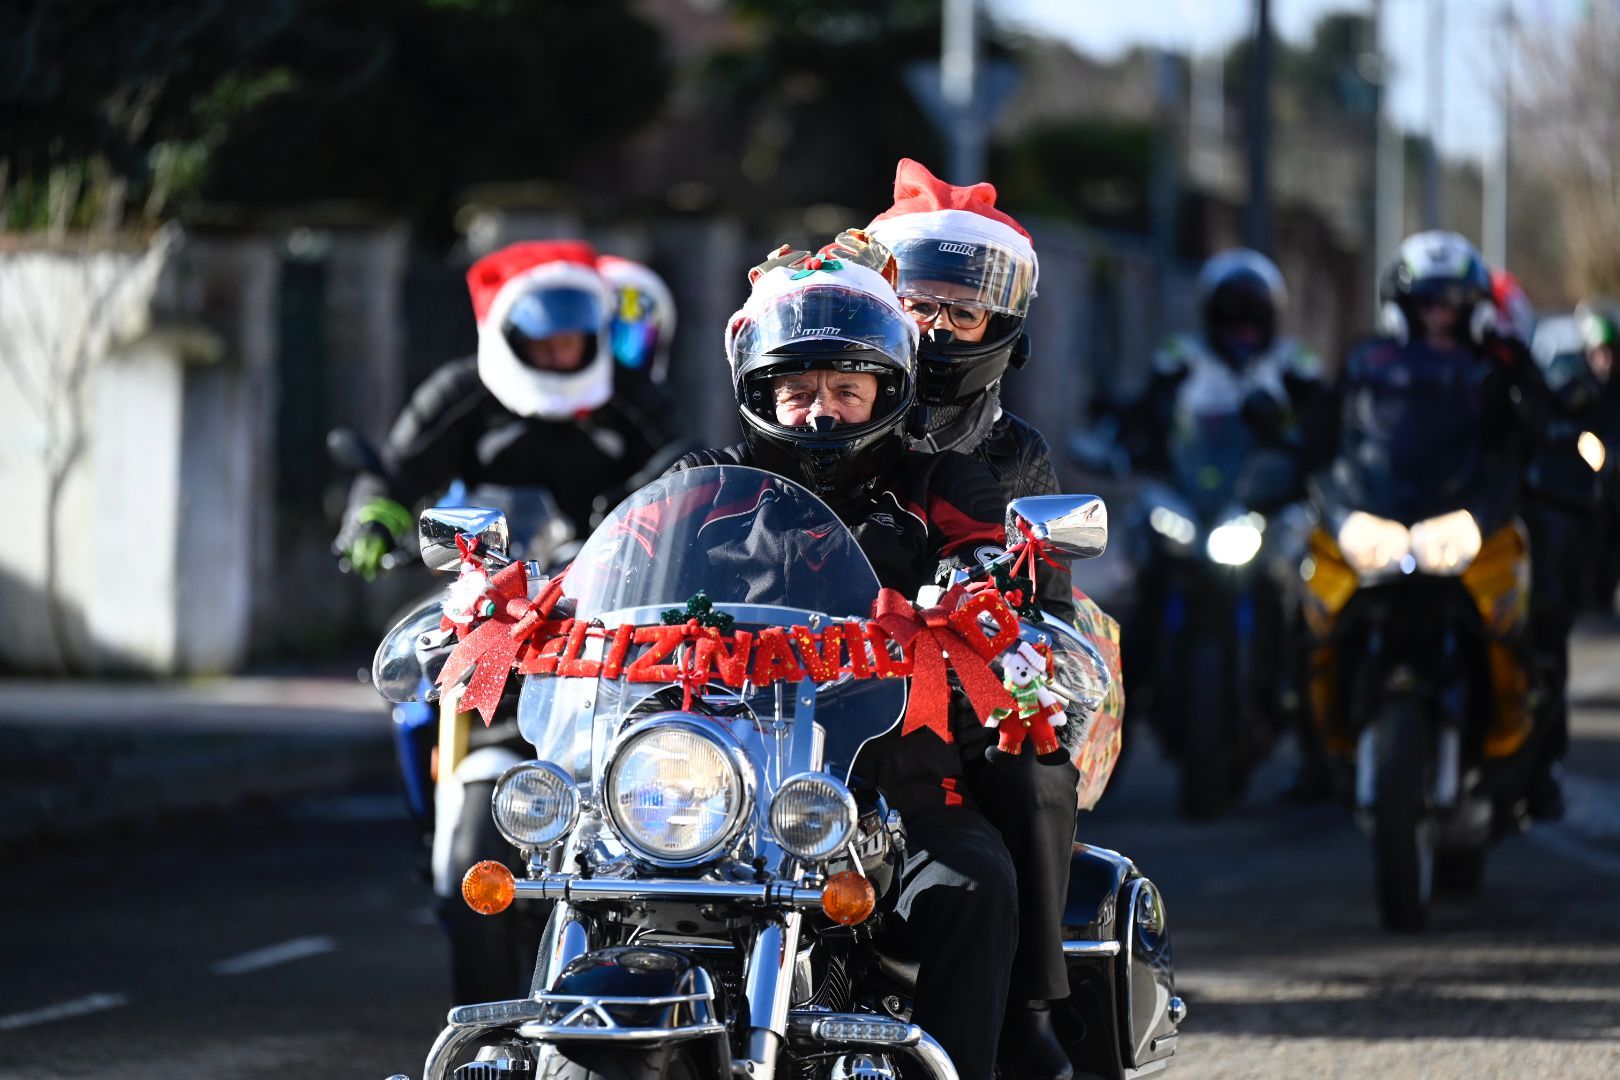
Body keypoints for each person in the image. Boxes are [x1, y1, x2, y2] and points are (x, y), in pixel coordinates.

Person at [669, 244, 1075, 1080]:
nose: (821, 412)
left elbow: (994, 564)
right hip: (711, 791)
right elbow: (604, 575)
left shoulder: (943, 485)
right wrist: (531, 610)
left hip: (896, 790)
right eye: (798, 390)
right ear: (760, 394)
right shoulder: (702, 485)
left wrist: (985, 591)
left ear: (888, 392)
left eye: (846, 390)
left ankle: (989, 1047)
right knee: (580, 871)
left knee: (972, 885)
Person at [862, 159, 1078, 1080]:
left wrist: (992, 630)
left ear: (1003, 329)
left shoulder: (1012, 450)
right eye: (918, 302)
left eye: (963, 309)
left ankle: (1026, 1005)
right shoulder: (829, 409)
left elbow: (1043, 598)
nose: (936, 326)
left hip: (967, 678)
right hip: (829, 676)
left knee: (1025, 755)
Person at [1331, 231, 1567, 817]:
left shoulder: (1501, 362)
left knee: (1545, 608)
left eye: (1452, 304)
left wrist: (1538, 425)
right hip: (1391, 514)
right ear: (1403, 307)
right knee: (1309, 598)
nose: (1439, 314)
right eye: (1426, 303)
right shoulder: (1370, 364)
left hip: (1478, 518)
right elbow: (1332, 433)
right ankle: (1315, 747)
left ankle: (1540, 763)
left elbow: (1542, 425)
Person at [336, 240, 665, 577]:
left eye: (569, 342)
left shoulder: (628, 393)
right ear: (513, 339)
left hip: (609, 583)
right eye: (543, 343)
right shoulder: (462, 391)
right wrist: (372, 519)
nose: (557, 355)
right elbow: (400, 472)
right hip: (481, 581)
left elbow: (680, 466)